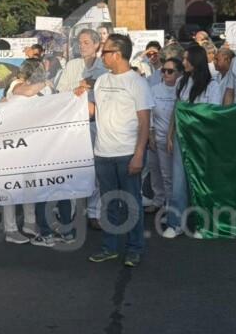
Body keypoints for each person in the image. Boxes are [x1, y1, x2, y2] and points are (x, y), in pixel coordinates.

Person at [80, 34, 153, 267]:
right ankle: (109, 247)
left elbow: (144, 121)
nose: (101, 56)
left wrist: (139, 154)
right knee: (108, 203)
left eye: (105, 52)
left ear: (118, 54)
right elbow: (93, 111)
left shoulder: (137, 82)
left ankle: (134, 248)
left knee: (132, 203)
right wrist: (77, 99)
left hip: (127, 154)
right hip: (103, 153)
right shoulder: (102, 80)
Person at [10, 59, 74, 247]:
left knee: (42, 191)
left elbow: (20, 93)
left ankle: (46, 234)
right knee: (61, 189)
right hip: (56, 145)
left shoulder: (23, 92)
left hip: (38, 148)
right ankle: (67, 232)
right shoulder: (50, 90)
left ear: (25, 75)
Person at [164, 45, 221, 239]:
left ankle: (204, 224)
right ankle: (175, 223)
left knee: (200, 182)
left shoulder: (212, 85)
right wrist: (170, 134)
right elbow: (176, 109)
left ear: (196, 61)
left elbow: (213, 114)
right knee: (178, 182)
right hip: (181, 137)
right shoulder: (181, 82)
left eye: (187, 59)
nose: (184, 62)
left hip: (201, 139)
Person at [57, 28, 107, 228]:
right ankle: (70, 211)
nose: (82, 46)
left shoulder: (104, 66)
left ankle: (94, 212)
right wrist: (78, 88)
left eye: (86, 42)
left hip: (96, 123)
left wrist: (94, 85)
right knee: (74, 168)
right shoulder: (72, 65)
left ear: (96, 44)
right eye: (80, 42)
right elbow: (60, 92)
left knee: (96, 170)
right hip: (74, 124)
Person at [146, 57, 182, 216]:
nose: (166, 73)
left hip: (174, 140)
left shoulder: (182, 90)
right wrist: (150, 132)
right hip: (157, 137)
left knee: (170, 176)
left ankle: (171, 209)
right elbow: (149, 112)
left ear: (179, 73)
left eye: (170, 71)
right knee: (156, 171)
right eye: (163, 70)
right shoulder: (154, 89)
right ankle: (159, 202)